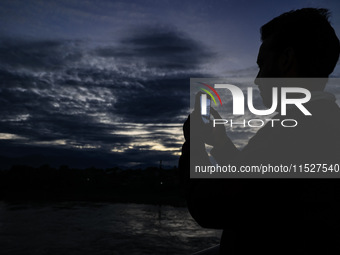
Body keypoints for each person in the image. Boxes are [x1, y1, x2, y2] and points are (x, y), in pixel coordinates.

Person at [179, 8, 340, 255]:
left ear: (286, 59)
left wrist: (194, 142)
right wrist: (221, 144)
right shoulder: (322, 121)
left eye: (262, 64)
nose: (257, 80)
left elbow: (209, 206)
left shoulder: (295, 131)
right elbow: (254, 186)